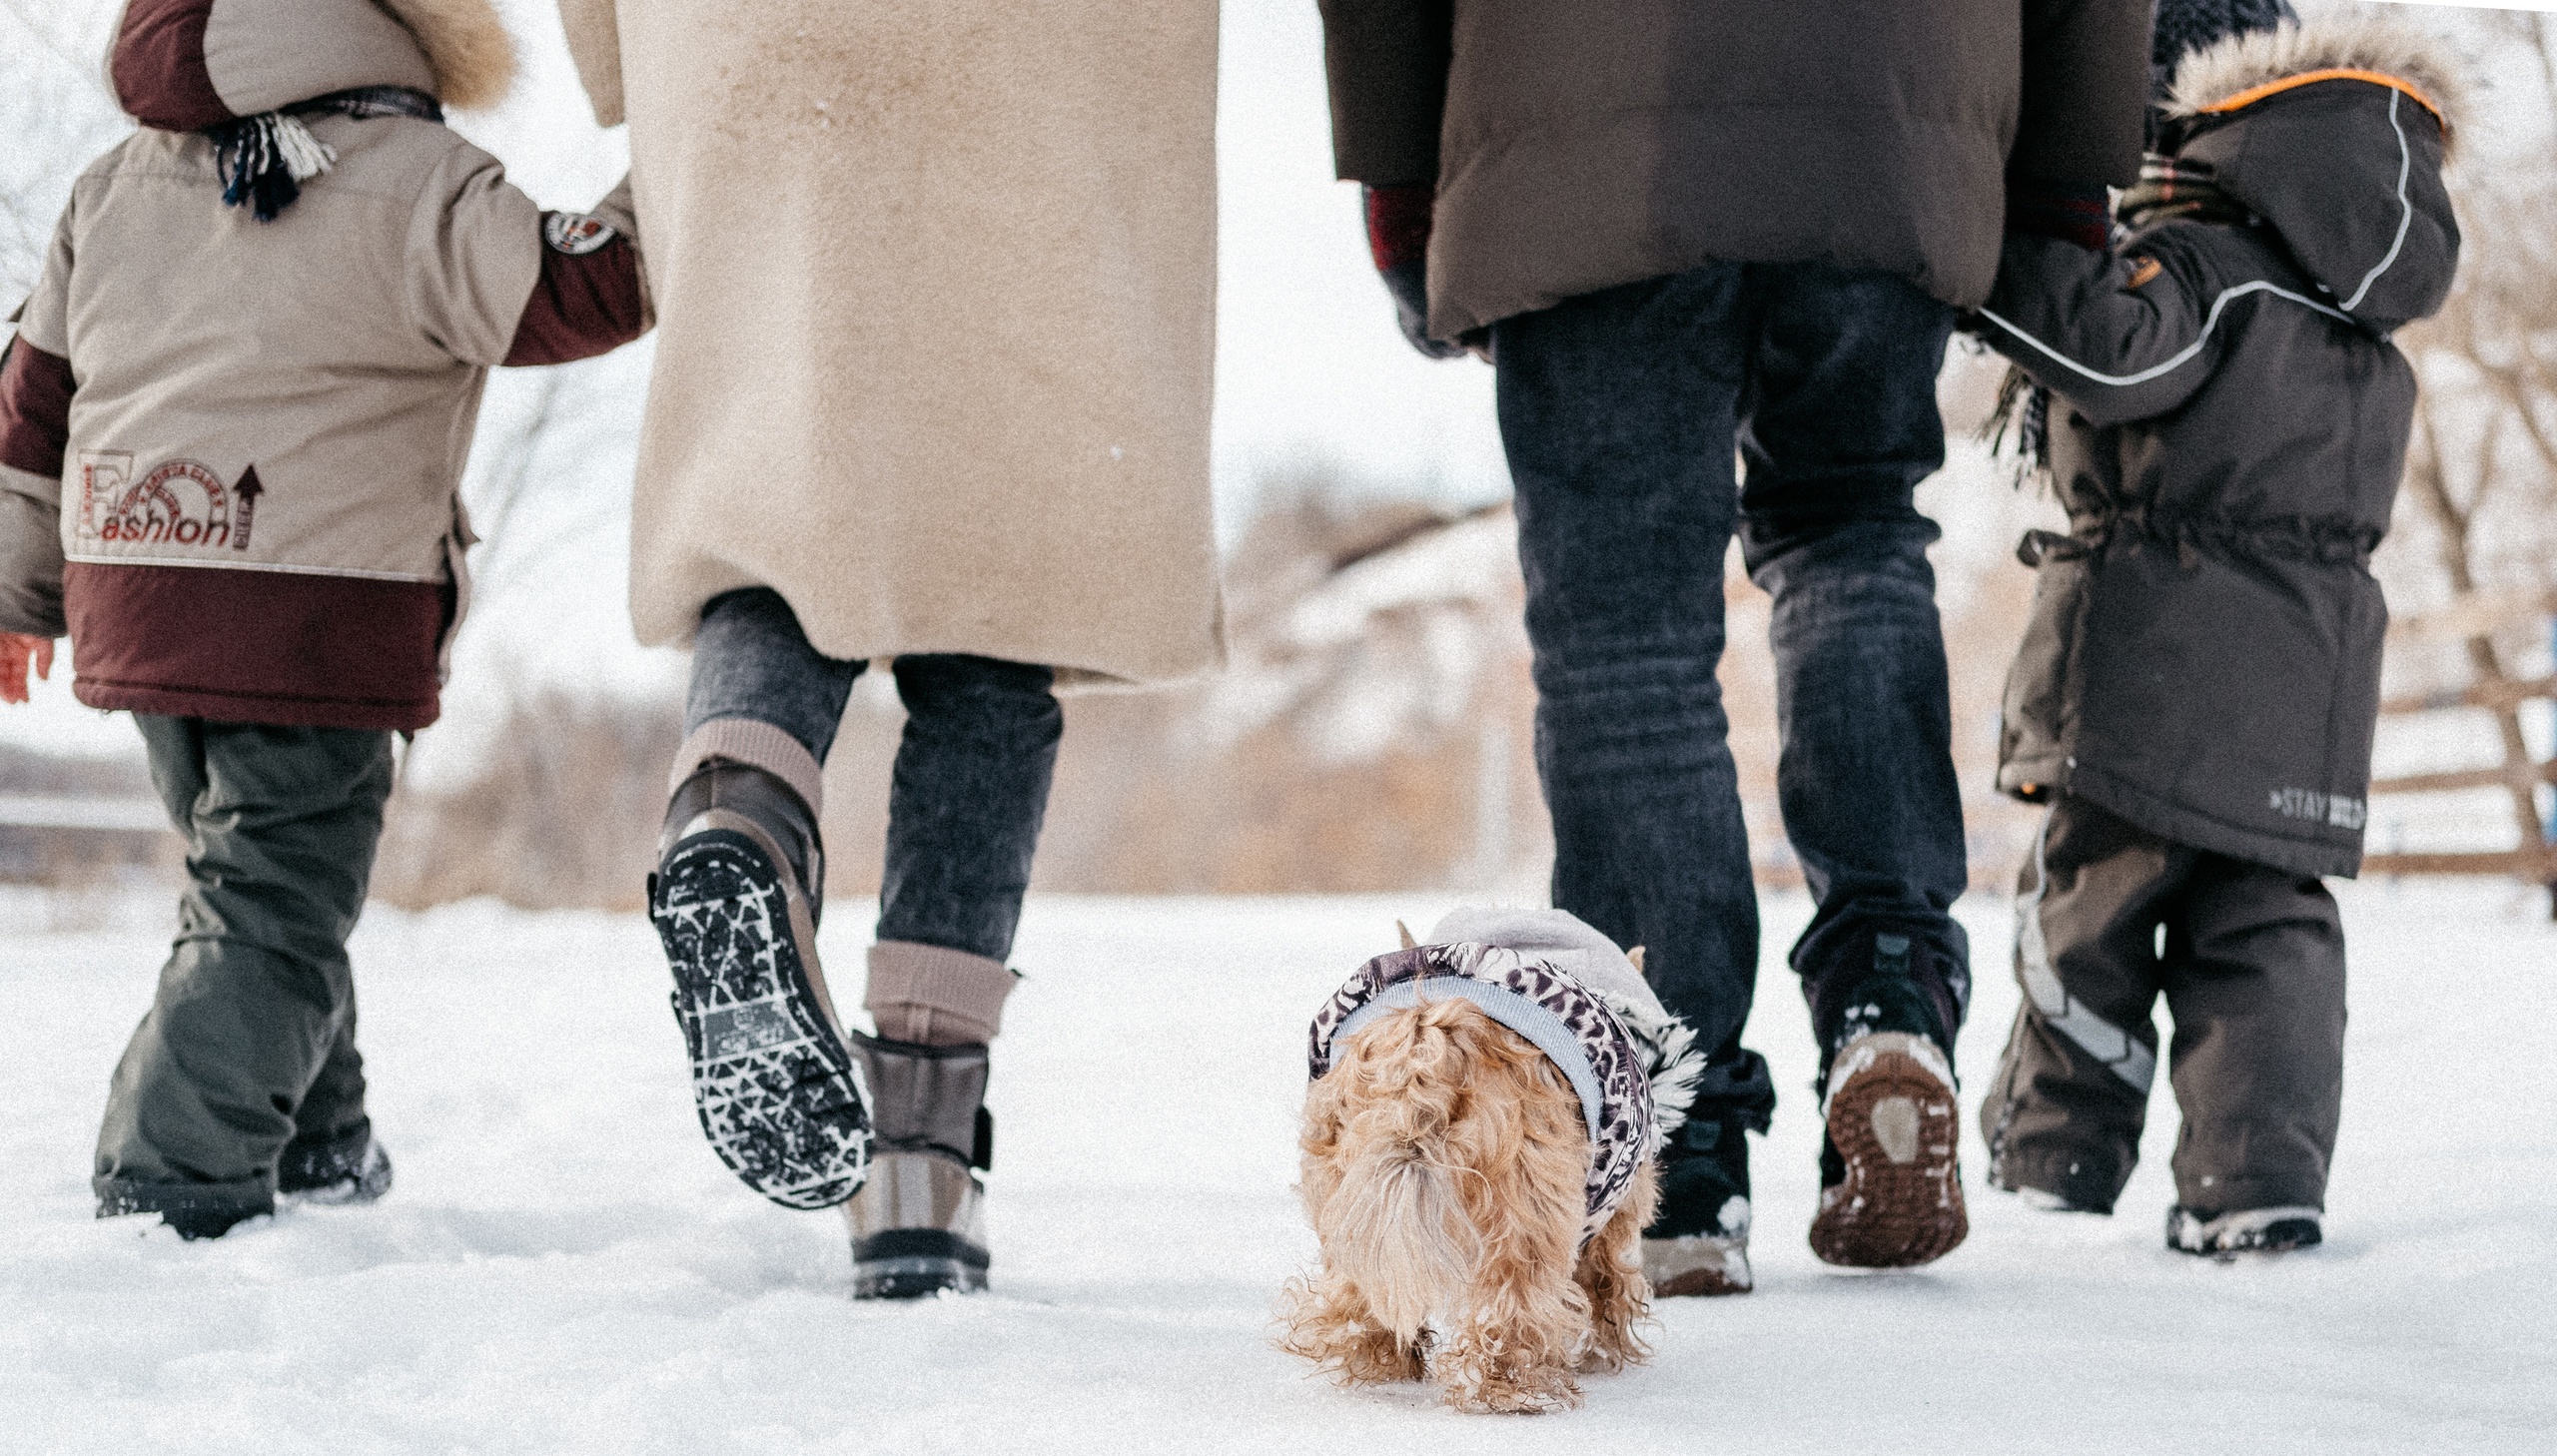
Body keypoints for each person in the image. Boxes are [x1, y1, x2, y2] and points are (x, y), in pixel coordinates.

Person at [1314, 1, 2151, 1285]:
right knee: (1852, 536)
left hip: (1575, 115)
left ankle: (1676, 1137)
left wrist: (1399, 183)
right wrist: (2058, 176)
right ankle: (1890, 995)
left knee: (1622, 642)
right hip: (1892, 107)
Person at [552, 1, 1223, 1297]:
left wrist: (628, 63)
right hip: (1031, 66)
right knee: (1001, 575)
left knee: (774, 506)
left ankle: (736, 814)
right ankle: (920, 1152)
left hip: (748, 46)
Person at [0, 0, 647, 1238]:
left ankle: (321, 1148)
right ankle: (170, 1184)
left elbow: (29, 408)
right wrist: (688, 152)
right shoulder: (416, 181)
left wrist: (16, 596)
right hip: (312, 608)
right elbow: (581, 288)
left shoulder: (109, 187)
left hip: (136, 589)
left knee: (255, 883)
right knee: (273, 901)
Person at [1969, 13, 2460, 1255]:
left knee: (2095, 898)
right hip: (2312, 675)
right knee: (2269, 919)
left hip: (2154, 662)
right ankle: (2259, 1185)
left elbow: (2110, 359)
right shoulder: (2361, 309)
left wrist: (2018, 248)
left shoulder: (2208, 263)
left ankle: (2051, 1164)